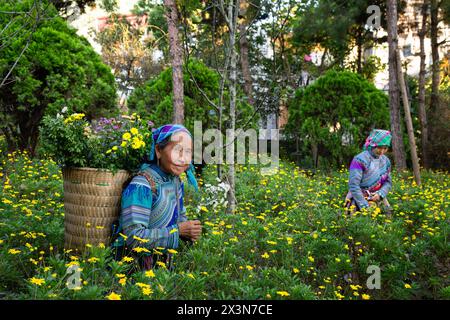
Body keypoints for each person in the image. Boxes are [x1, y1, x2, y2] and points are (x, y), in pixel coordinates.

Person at [113, 124, 202, 271]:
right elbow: (134, 238)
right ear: (158, 150)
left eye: (188, 152)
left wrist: (189, 230)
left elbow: (180, 217)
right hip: (132, 271)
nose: (183, 158)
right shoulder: (142, 186)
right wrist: (178, 231)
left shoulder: (175, 181)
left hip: (161, 269)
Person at [345, 129, 393, 215]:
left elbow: (388, 183)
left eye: (385, 148)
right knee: (359, 225)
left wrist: (380, 194)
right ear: (372, 145)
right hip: (358, 199)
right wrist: (365, 206)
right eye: (379, 147)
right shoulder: (359, 160)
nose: (382, 151)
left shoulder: (386, 161)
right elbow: (353, 185)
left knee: (385, 224)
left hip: (378, 198)